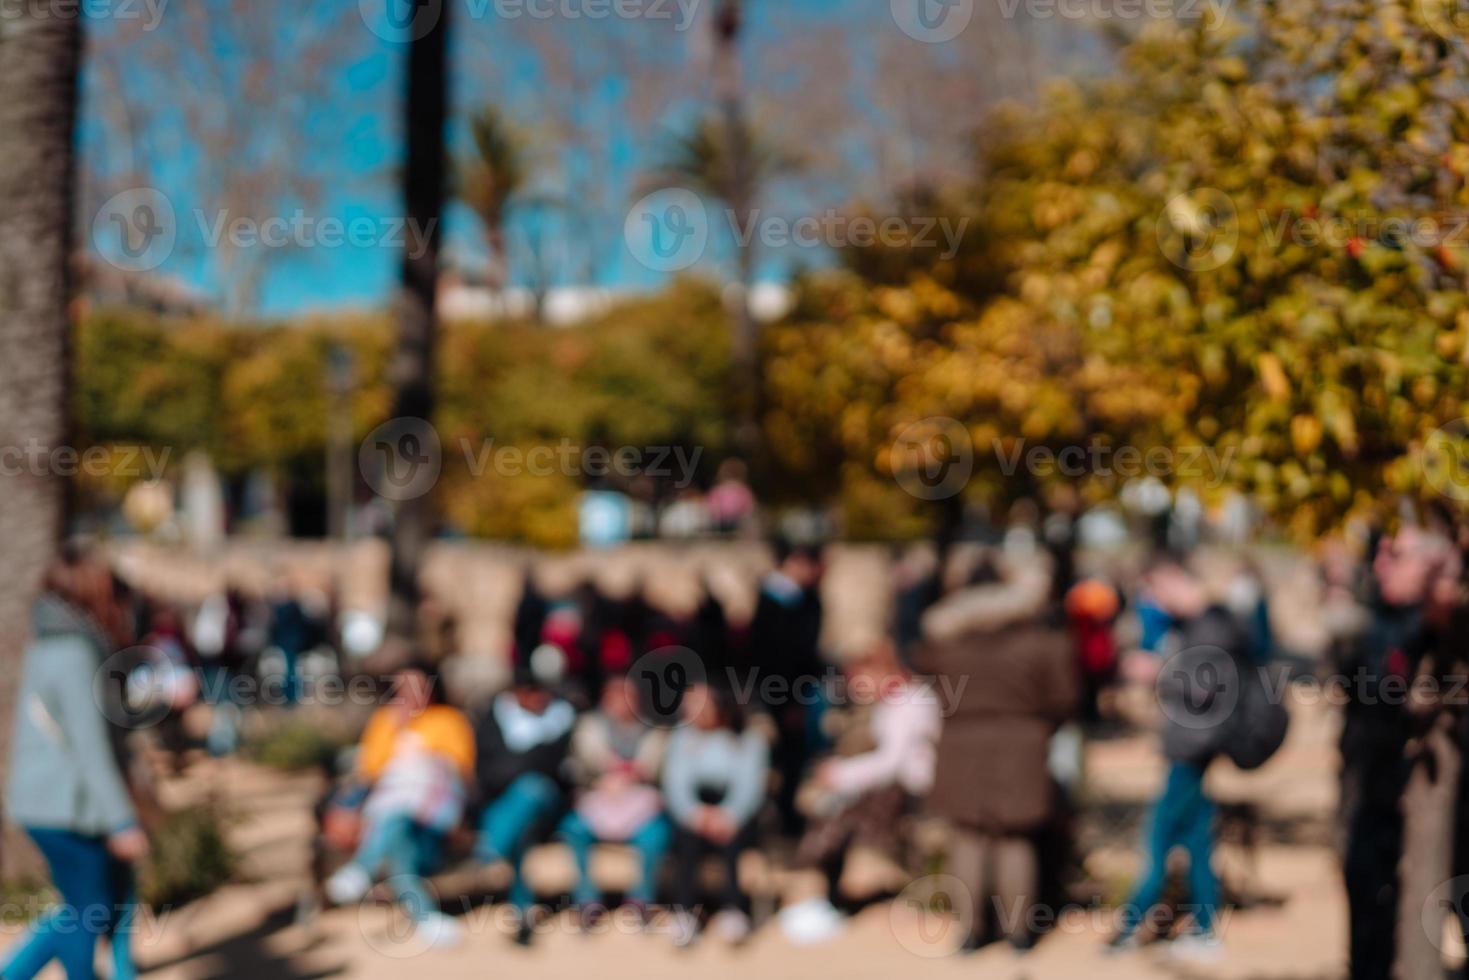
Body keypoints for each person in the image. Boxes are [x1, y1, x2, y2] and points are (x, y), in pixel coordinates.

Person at [913, 550, 1078, 952]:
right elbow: (1065, 697)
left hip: (960, 743)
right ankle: (1019, 932)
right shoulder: (1042, 642)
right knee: (1015, 837)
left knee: (967, 835)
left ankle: (971, 932)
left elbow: (930, 688)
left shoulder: (942, 644)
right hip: (1022, 742)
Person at [3, 549, 149, 980]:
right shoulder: (74, 651)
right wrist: (122, 821)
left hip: (53, 804)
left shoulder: (52, 643)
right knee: (90, 909)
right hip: (62, 808)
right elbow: (90, 747)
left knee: (94, 905)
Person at [1109, 558, 1248, 959]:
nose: (1155, 602)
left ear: (1173, 579)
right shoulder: (1197, 624)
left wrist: (1157, 672)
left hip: (1193, 749)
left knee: (1159, 837)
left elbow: (1208, 687)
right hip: (1191, 746)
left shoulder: (1212, 624)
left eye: (1156, 591)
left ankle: (1130, 925)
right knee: (1196, 841)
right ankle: (1205, 928)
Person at [786, 640, 941, 941]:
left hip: (911, 792)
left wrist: (841, 775)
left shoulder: (910, 701)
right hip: (895, 789)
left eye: (860, 680)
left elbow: (891, 763)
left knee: (837, 812)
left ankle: (822, 889)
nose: (858, 689)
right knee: (832, 808)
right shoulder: (897, 700)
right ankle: (823, 890)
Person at [324, 662, 474, 949]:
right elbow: (371, 770)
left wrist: (418, 760)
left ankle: (362, 869)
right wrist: (397, 729)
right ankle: (427, 917)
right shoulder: (384, 720)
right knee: (399, 837)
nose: (409, 694)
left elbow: (459, 766)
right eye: (402, 688)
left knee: (400, 817)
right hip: (393, 814)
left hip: (433, 815)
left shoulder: (448, 720)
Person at [472, 664, 577, 945]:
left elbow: (555, 770)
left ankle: (489, 851)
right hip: (504, 807)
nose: (537, 698)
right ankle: (522, 914)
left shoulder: (563, 718)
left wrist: (518, 767)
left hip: (548, 807)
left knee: (531, 790)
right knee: (520, 830)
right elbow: (486, 772)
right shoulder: (493, 718)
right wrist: (526, 764)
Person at [663, 682, 769, 946]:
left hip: (736, 813)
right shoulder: (681, 738)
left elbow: (750, 785)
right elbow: (675, 783)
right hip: (695, 812)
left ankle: (733, 910)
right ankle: (685, 912)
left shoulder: (748, 739)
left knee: (730, 839)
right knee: (687, 839)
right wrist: (694, 814)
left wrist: (730, 815)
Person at [558, 675, 670, 924]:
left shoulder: (655, 731)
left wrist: (630, 777)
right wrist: (602, 780)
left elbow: (657, 772)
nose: (621, 701)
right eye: (615, 695)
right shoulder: (589, 727)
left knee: (655, 836)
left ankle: (641, 900)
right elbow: (577, 768)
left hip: (640, 807)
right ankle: (587, 900)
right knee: (573, 829)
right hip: (597, 801)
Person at [749, 537, 826, 837]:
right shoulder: (779, 602)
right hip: (783, 695)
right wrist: (790, 700)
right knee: (785, 759)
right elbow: (781, 657)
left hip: (792, 693)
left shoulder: (802, 598)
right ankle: (782, 820)